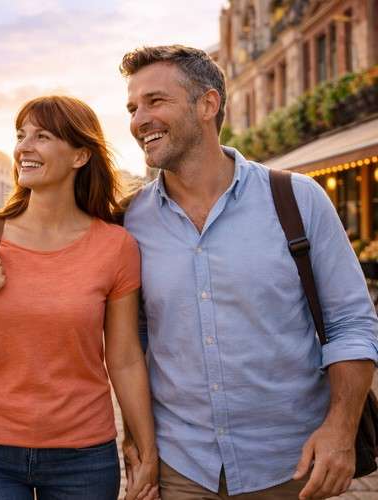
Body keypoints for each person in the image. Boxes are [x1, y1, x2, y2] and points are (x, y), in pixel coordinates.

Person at [119, 45, 378, 499]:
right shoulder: (130, 221)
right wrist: (137, 437)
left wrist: (341, 430)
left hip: (290, 467)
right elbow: (132, 339)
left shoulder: (298, 199)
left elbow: (352, 322)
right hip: (182, 467)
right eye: (133, 107)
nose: (140, 119)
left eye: (155, 101)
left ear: (208, 104)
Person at [0, 95, 159, 500]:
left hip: (83, 456)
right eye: (20, 135)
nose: (24, 147)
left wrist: (146, 449)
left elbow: (125, 358)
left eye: (42, 136)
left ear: (81, 155)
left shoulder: (116, 247)